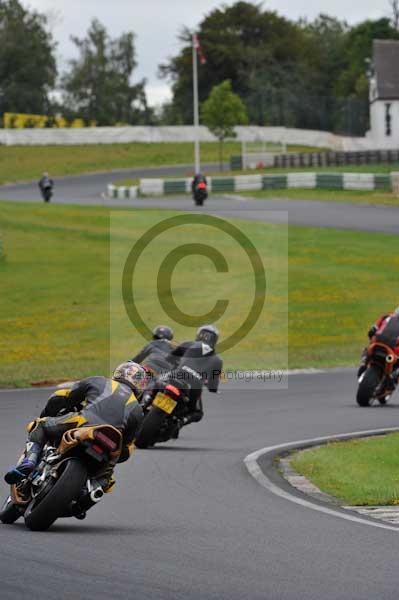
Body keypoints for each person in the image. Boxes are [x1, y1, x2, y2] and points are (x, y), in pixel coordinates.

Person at [4, 362, 148, 496]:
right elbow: (127, 447)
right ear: (141, 386)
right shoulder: (138, 410)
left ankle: (29, 461)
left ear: (118, 373)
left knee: (40, 425)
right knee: (106, 480)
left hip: (82, 423)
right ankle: (89, 494)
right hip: (111, 443)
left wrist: (49, 412)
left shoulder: (99, 381)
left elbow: (63, 396)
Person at [147, 324, 223, 437]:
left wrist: (179, 364)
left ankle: (146, 402)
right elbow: (213, 386)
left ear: (199, 335)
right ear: (214, 340)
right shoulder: (218, 360)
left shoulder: (188, 344)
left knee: (156, 383)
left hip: (175, 376)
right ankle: (180, 422)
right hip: (194, 386)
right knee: (197, 413)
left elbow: (170, 359)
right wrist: (211, 386)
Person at [358, 308, 399, 390]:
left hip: (376, 344)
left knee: (369, 347)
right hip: (392, 351)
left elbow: (371, 331)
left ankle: (364, 362)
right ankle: (392, 377)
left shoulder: (386, 317)